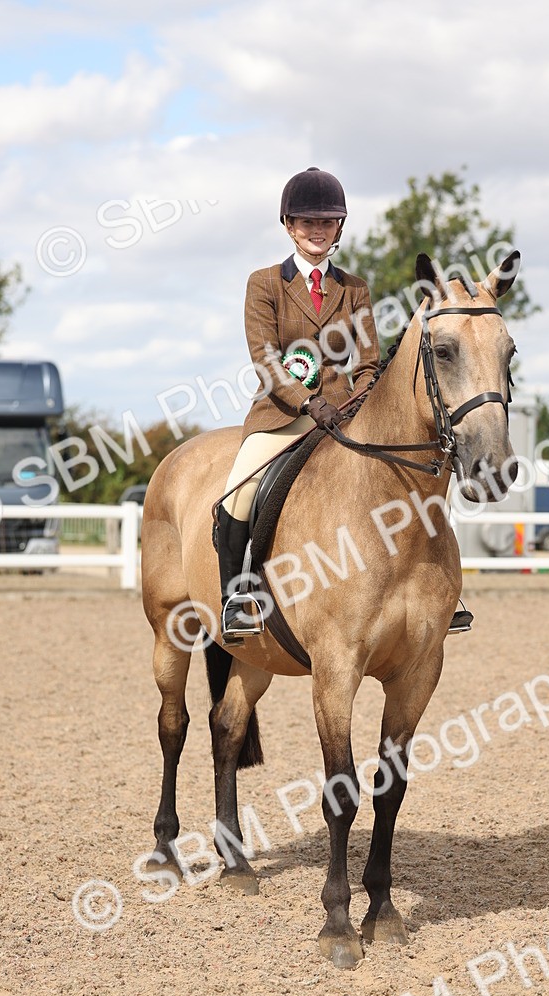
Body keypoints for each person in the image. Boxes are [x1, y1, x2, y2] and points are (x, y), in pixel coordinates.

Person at [217, 166, 381, 642]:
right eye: (308, 221)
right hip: (282, 415)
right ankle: (236, 598)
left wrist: (358, 401)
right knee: (238, 492)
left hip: (345, 415)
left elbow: (369, 362)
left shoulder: (355, 289)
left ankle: (434, 590)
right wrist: (308, 401)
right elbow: (265, 359)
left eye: (327, 222)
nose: (317, 230)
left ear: (339, 228)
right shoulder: (265, 284)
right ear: (289, 225)